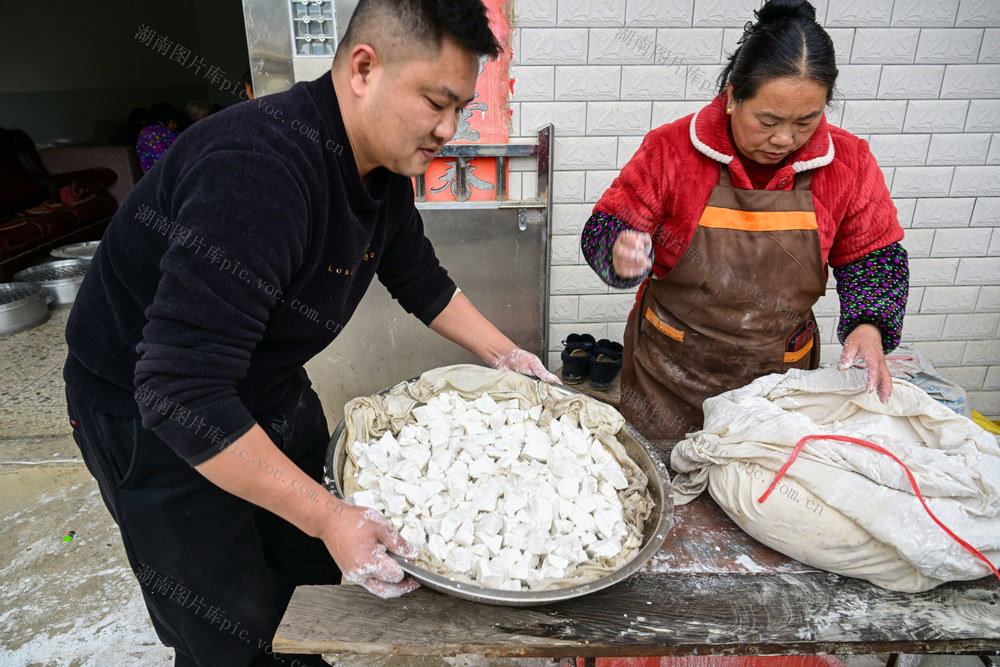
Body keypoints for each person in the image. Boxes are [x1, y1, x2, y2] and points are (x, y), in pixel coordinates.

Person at [63, 1, 555, 664]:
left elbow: (418, 276)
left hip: (261, 381)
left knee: (311, 582)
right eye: (436, 102)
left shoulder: (382, 169)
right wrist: (330, 516)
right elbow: (178, 389)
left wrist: (506, 352)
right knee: (226, 624)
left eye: (461, 106)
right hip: (149, 411)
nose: (449, 129)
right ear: (363, 68)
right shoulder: (259, 173)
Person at [581, 0, 908, 441]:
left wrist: (869, 325)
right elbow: (604, 229)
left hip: (775, 384)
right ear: (733, 96)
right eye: (768, 120)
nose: (784, 139)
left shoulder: (848, 162)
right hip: (670, 376)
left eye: (805, 122)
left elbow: (875, 258)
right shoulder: (671, 149)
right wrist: (619, 252)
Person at [136, 102, 181, 173]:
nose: (175, 126)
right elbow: (164, 159)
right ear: (160, 121)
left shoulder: (169, 133)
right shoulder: (149, 135)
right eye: (172, 123)